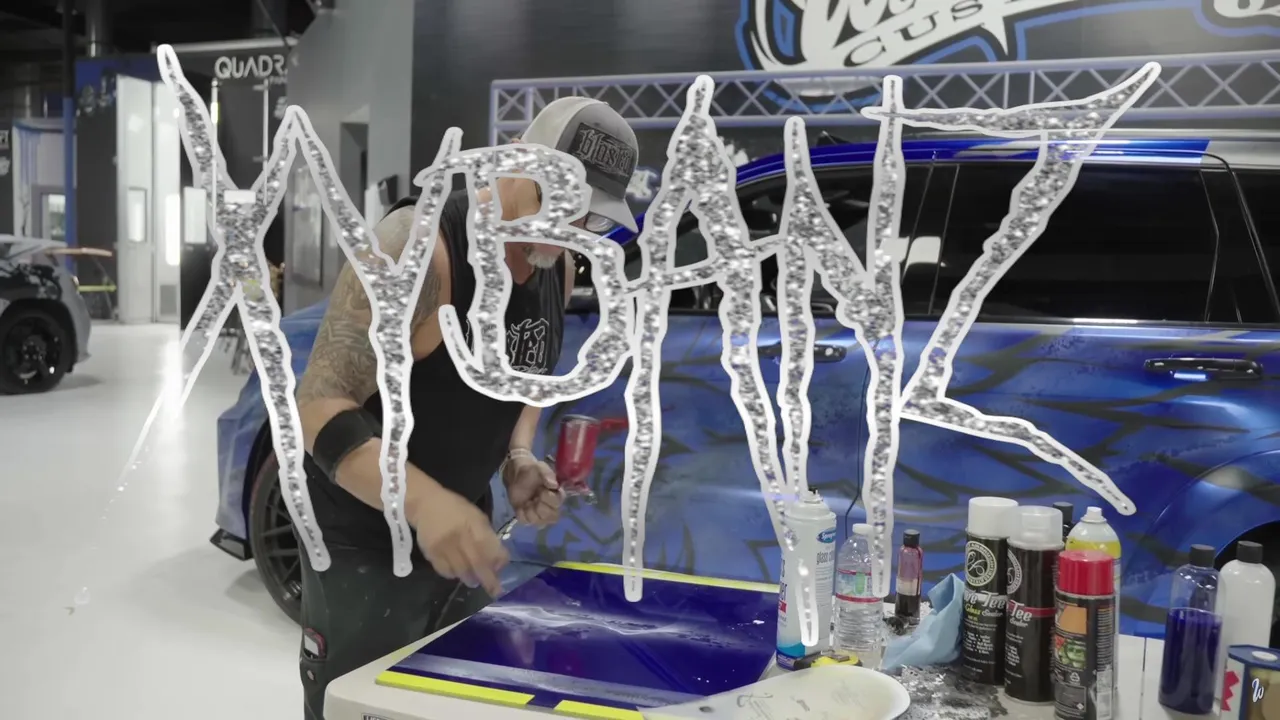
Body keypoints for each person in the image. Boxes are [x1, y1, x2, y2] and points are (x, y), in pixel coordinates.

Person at [293, 97, 640, 719]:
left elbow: (524, 379)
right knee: (361, 704)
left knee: (448, 701)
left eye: (585, 215)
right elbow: (319, 405)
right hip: (362, 533)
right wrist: (425, 504)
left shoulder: (555, 265)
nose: (565, 226)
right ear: (516, 162)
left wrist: (516, 458)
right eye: (555, 199)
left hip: (460, 525)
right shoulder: (418, 248)